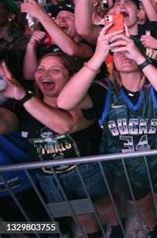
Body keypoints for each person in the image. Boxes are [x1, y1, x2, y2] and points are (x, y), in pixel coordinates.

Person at [57, 24, 157, 237]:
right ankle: (152, 229)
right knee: (143, 207)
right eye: (117, 50)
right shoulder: (104, 91)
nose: (123, 54)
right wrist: (97, 57)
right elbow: (65, 101)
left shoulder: (155, 87)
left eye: (128, 49)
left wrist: (140, 58)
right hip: (127, 169)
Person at [0, 54, 120, 237]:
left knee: (103, 204)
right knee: (79, 212)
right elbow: (4, 124)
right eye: (40, 69)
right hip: (51, 178)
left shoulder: (86, 98)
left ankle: (116, 226)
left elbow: (66, 125)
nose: (45, 74)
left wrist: (23, 96)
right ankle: (93, 234)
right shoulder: (20, 105)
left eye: (55, 70)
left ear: (72, 76)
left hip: (87, 171)